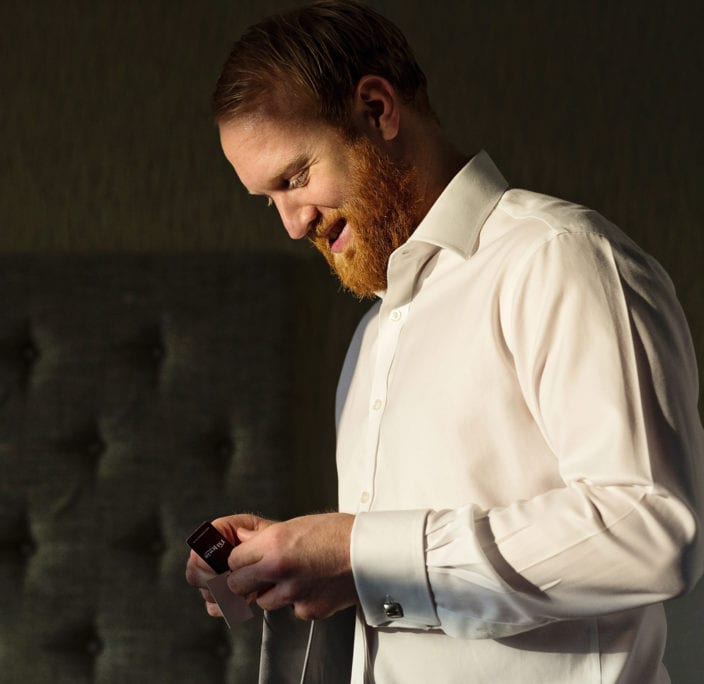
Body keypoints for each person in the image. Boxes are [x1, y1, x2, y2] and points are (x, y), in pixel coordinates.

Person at [184, 2, 704, 682]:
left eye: (295, 178)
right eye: (269, 200)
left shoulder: (560, 257)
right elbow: (422, 596)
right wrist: (294, 560)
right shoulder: (373, 336)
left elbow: (653, 532)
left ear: (377, 108)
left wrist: (358, 550)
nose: (291, 223)